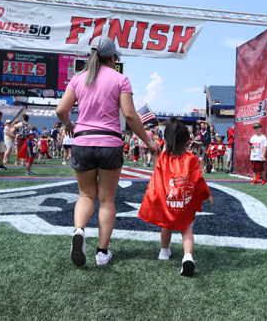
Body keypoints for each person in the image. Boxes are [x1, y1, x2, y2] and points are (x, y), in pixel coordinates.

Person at [56, 35, 160, 267]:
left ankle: (79, 231)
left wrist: (71, 127)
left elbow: (61, 110)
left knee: (85, 196)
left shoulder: (78, 78)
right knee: (106, 200)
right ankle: (102, 252)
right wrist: (149, 142)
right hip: (110, 144)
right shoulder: (121, 79)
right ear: (112, 57)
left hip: (82, 142)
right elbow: (131, 116)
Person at [138, 117, 214, 276]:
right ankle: (187, 257)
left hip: (168, 203)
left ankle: (164, 251)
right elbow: (199, 180)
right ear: (187, 142)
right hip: (185, 204)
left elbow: (156, 178)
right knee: (187, 230)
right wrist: (208, 195)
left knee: (166, 226)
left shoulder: (163, 158)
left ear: (167, 141)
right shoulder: (192, 159)